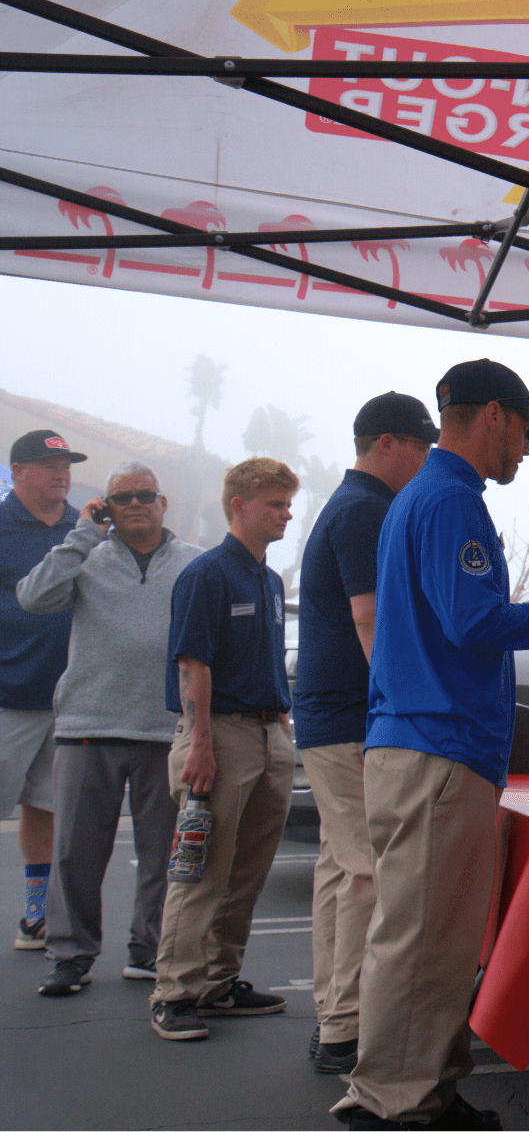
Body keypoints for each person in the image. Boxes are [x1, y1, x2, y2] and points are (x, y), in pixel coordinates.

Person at [333, 360, 529, 1131]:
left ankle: (421, 1089)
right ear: (493, 415)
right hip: (438, 746)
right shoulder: (451, 500)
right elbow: (474, 622)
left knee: (433, 937)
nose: (526, 448)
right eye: (525, 431)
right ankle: (394, 1101)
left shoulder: (424, 497)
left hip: (424, 743)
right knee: (424, 938)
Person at [17, 462, 202, 996]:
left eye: (145, 494)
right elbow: (32, 597)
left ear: (163, 503)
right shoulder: (84, 558)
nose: (135, 504)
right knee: (75, 854)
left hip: (165, 730)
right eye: (122, 498)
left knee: (162, 855)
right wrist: (81, 535)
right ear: (106, 508)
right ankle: (70, 956)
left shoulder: (195, 563)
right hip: (88, 725)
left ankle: (149, 951)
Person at [293, 392, 437, 1073]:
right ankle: (347, 1028)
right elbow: (370, 617)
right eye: (422, 446)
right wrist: (400, 704)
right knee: (365, 874)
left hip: (330, 714)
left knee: (339, 865)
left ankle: (334, 1011)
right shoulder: (366, 509)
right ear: (387, 443)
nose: (428, 460)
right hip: (354, 715)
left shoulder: (352, 504)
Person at [150, 457, 299, 1041]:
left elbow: (265, 659)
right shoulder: (207, 574)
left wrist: (280, 724)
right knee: (203, 870)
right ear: (239, 506)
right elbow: (193, 663)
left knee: (247, 872)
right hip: (219, 736)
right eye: (275, 504)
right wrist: (201, 745)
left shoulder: (270, 580)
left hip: (267, 734)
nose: (286, 515)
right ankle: (174, 993)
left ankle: (217, 982)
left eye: (288, 504)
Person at [1, 430, 84, 952]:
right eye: (49, 465)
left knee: (46, 807)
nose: (61, 473)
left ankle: (36, 913)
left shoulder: (85, 529)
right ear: (17, 472)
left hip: (68, 699)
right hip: (7, 696)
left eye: (66, 465)